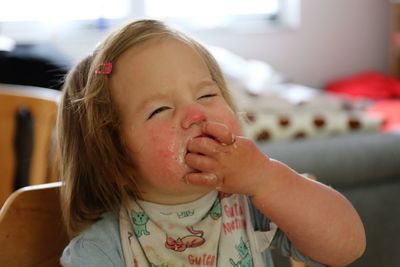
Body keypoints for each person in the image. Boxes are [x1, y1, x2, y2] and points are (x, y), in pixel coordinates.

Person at [58, 19, 366, 267]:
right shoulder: (101, 251)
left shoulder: (253, 203)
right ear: (114, 157)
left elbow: (347, 246)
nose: (196, 113)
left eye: (207, 95)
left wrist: (266, 178)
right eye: (160, 109)